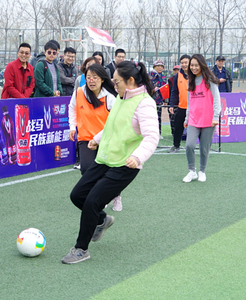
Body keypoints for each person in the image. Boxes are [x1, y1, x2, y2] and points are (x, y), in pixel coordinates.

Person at [62, 61, 159, 264]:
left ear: (130, 81)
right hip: (104, 159)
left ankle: (81, 249)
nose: (114, 85)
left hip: (124, 165)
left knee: (92, 202)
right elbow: (112, 126)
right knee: (77, 195)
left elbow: (152, 137)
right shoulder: (122, 98)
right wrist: (96, 139)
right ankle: (101, 220)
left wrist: (137, 157)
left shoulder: (145, 103)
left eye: (116, 82)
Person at [68, 64, 122, 211]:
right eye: (88, 77)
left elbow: (115, 122)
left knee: (109, 171)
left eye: (95, 77)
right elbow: (72, 108)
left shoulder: (110, 97)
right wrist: (72, 127)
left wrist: (99, 139)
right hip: (85, 138)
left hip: (106, 138)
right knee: (87, 169)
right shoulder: (79, 92)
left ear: (102, 79)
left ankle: (116, 196)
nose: (91, 81)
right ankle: (98, 196)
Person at [183, 54, 221, 183]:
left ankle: (202, 171)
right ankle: (192, 171)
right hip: (193, 120)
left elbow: (216, 99)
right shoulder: (190, 81)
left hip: (208, 120)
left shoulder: (209, 79)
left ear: (202, 65)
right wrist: (187, 118)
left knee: (204, 148)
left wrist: (216, 116)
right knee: (189, 145)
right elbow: (190, 102)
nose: (193, 68)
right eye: (191, 65)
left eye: (196, 65)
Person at [168, 55, 191, 153]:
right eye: (182, 63)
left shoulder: (196, 74)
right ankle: (176, 145)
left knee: (197, 128)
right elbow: (174, 91)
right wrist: (171, 104)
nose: (184, 64)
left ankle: (200, 146)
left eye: (186, 62)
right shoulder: (178, 75)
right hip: (182, 106)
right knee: (178, 127)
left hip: (194, 107)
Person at [149, 60, 167, 136]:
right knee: (150, 117)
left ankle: (158, 133)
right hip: (150, 99)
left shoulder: (163, 76)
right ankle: (149, 133)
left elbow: (166, 88)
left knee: (158, 117)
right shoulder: (149, 75)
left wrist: (165, 100)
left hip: (159, 100)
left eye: (161, 66)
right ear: (154, 67)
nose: (160, 68)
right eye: (158, 66)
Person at [168, 65, 181, 136]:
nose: (176, 71)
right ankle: (173, 132)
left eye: (178, 70)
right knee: (172, 119)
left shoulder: (184, 78)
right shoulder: (170, 80)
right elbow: (170, 92)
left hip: (181, 102)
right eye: (175, 70)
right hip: (173, 102)